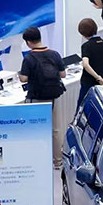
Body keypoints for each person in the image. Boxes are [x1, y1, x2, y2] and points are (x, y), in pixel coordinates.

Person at [18, 27, 67, 165]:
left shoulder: (29, 58)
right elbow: (63, 74)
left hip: (36, 98)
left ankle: (38, 162)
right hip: (53, 97)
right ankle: (57, 161)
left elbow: (24, 79)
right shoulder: (54, 54)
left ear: (28, 42)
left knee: (35, 130)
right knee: (55, 130)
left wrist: (19, 74)